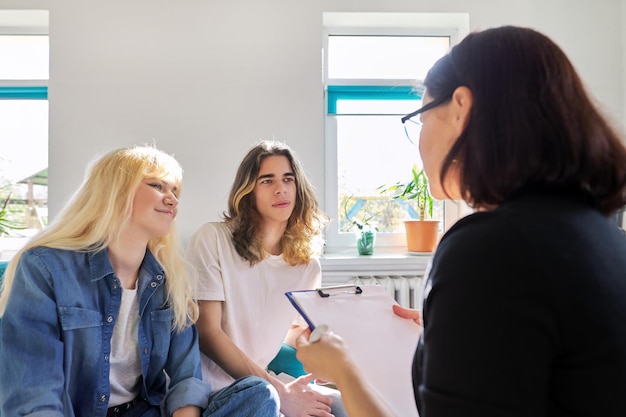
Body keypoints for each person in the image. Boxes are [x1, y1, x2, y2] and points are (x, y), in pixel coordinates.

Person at [295, 25, 626, 417]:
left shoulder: (489, 251)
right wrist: (450, 334)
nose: (419, 143)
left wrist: (344, 371)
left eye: (420, 117)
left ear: (460, 108)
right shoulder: (607, 237)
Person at [0, 145, 279, 417]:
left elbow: (186, 378)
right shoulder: (45, 268)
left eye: (175, 191)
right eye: (157, 186)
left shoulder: (171, 280)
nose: (172, 199)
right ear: (115, 192)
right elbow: (33, 390)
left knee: (258, 393)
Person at [185, 140, 346, 417]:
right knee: (264, 397)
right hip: (214, 394)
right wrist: (281, 393)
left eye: (288, 179)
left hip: (265, 383)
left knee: (344, 405)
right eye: (267, 180)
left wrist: (319, 347)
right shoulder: (212, 239)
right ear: (248, 191)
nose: (281, 188)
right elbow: (207, 332)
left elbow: (292, 332)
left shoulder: (307, 266)